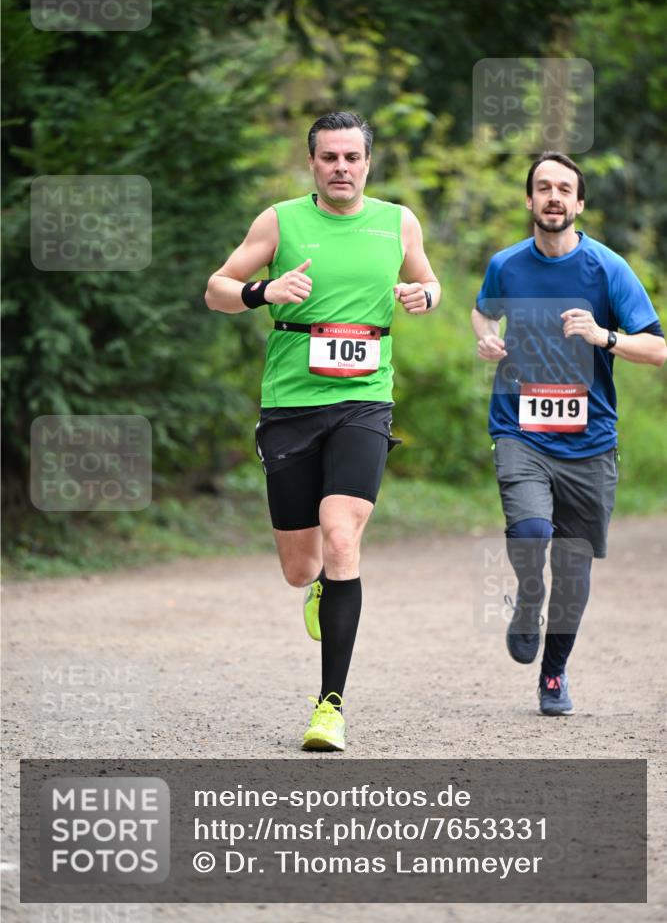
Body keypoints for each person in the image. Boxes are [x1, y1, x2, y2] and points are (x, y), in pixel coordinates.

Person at [205, 111, 440, 749]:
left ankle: (329, 706)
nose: (341, 168)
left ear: (369, 163)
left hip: (365, 400)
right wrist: (263, 291)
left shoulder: (398, 221)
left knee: (342, 537)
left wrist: (426, 296)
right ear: (313, 163)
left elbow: (426, 280)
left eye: (352, 157)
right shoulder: (280, 221)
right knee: (299, 564)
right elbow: (216, 289)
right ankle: (319, 589)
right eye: (329, 157)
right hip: (291, 404)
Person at [472, 151, 665, 715]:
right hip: (520, 428)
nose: (553, 197)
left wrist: (604, 336)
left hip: (590, 441)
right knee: (530, 532)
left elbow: (656, 348)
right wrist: (486, 336)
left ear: (579, 204)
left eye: (564, 189)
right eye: (543, 187)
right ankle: (528, 598)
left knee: (575, 568)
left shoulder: (608, 269)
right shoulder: (505, 264)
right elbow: (484, 311)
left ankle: (553, 675)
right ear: (529, 200)